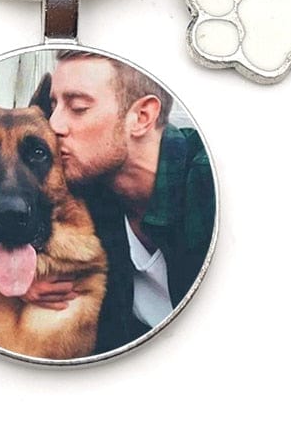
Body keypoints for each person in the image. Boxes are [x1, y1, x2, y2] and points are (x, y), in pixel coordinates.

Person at [23, 50, 216, 353]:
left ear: (141, 117)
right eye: (53, 106)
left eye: (78, 107)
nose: (53, 125)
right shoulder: (86, 191)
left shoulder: (211, 186)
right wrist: (16, 280)